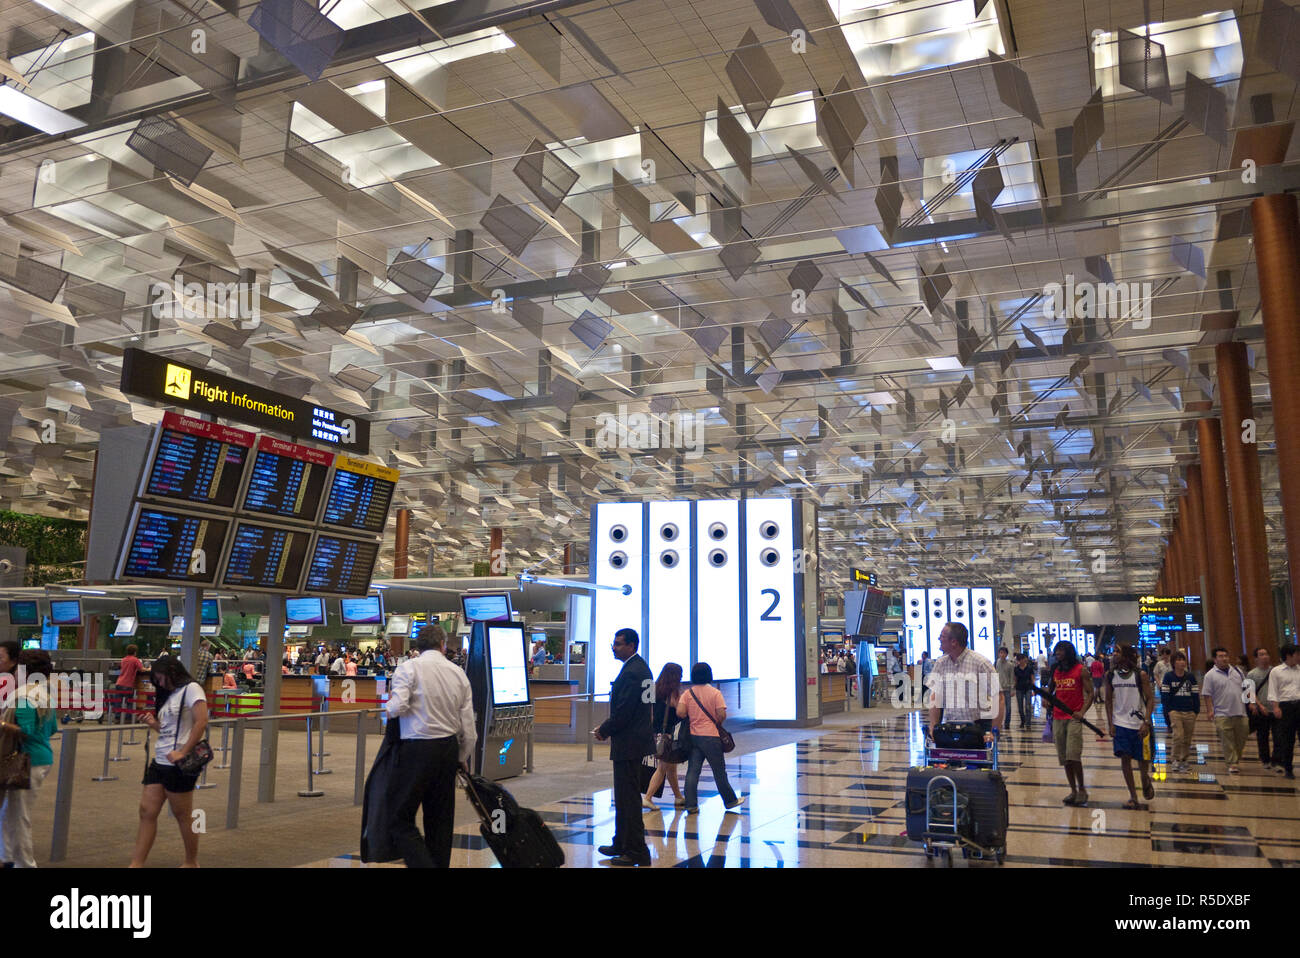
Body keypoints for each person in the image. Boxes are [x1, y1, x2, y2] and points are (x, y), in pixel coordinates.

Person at [383, 624, 475, 867]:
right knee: (440, 820)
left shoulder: (408, 668)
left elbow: (398, 705)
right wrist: (461, 756)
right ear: (443, 645)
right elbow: (469, 729)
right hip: (447, 749)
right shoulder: (458, 674)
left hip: (416, 749)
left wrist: (387, 709)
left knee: (399, 818)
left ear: (418, 646)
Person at [129, 656, 208, 867]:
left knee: (183, 814)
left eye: (161, 678)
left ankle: (191, 861)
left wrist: (183, 751)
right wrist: (154, 723)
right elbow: (168, 729)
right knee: (147, 810)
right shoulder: (169, 695)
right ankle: (136, 863)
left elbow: (202, 721)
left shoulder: (192, 689)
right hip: (160, 759)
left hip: (179, 764)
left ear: (173, 671)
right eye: (157, 680)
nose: (160, 683)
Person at [594, 628, 654, 867]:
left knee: (628, 799)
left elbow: (624, 712)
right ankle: (621, 842)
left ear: (632, 645)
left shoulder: (631, 673)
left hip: (629, 743)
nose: (614, 647)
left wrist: (604, 729)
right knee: (624, 796)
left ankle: (637, 851)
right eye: (614, 643)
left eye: (619, 644)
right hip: (637, 741)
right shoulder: (642, 668)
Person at [0, 649, 58, 867]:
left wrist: (3, 724)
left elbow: (27, 731)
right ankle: (7, 857)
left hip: (24, 761)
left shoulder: (23, 696)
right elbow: (51, 729)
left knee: (19, 816)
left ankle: (24, 863)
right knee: (11, 812)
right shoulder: (45, 694)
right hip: (41, 758)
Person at [677, 661, 743, 816]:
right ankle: (730, 800)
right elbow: (721, 714)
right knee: (719, 771)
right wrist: (715, 721)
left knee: (693, 771)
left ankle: (691, 805)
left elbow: (680, 712)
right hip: (711, 737)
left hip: (693, 736)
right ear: (709, 674)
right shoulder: (715, 693)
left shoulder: (688, 693)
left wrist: (692, 717)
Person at [925, 622, 1002, 741]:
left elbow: (999, 697)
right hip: (951, 726)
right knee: (950, 759)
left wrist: (994, 731)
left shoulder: (980, 663)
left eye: (942, 636)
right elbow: (935, 697)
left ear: (954, 642)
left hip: (979, 726)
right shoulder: (941, 664)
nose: (939, 639)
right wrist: (933, 727)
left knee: (977, 759)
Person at [1105, 644, 1156, 809]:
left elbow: (1150, 699)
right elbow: (1107, 700)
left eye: (1117, 651)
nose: (1114, 654)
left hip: (1139, 724)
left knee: (1143, 760)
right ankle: (1133, 796)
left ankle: (1144, 777)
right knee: (1125, 759)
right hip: (1120, 724)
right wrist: (1111, 723)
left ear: (1126, 655)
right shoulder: (1110, 675)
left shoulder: (1140, 675)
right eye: (1113, 652)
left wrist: (1146, 721)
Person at [1049, 640, 1093, 806]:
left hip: (1073, 718)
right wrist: (1047, 700)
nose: (1058, 653)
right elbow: (1050, 690)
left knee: (1073, 755)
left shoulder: (1080, 670)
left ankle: (1082, 789)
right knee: (1064, 757)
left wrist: (1082, 712)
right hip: (1057, 718)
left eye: (1060, 650)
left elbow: (1090, 693)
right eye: (1057, 651)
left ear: (1068, 652)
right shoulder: (1055, 669)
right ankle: (1073, 790)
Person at [644, 662, 686, 810]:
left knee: (671, 768)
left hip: (656, 733)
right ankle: (648, 797)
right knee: (663, 767)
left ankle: (678, 797)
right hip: (668, 735)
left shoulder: (655, 689)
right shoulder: (674, 694)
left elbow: (650, 713)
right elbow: (681, 712)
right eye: (680, 675)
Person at [1201, 647, 1249, 774]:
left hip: (1240, 711)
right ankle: (1232, 763)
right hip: (1222, 713)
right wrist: (1210, 710)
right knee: (1227, 739)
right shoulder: (1210, 675)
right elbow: (1207, 694)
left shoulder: (1238, 671)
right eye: (1221, 656)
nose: (1224, 658)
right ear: (1215, 659)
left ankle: (1235, 759)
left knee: (1241, 738)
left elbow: (1247, 687)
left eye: (1226, 656)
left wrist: (1252, 703)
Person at [1161, 651, 1200, 772]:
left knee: (1187, 738)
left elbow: (1195, 694)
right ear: (1173, 663)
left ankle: (1184, 759)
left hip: (1189, 711)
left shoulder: (1190, 677)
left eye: (1183, 660)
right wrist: (1168, 710)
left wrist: (1196, 710)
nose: (1182, 662)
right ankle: (1175, 759)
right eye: (1178, 660)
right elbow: (1165, 694)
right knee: (1178, 736)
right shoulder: (1168, 677)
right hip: (1175, 711)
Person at [1267, 643, 1300, 779]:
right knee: (1288, 739)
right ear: (1288, 655)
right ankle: (1288, 768)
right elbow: (1273, 691)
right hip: (1286, 707)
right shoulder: (1276, 671)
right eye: (1297, 654)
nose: (1299, 657)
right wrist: (1275, 707)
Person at [1247, 647, 1275, 769]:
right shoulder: (1252, 674)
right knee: (1262, 735)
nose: (1265, 656)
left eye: (1266, 654)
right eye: (1261, 654)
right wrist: (1257, 705)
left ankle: (1277, 759)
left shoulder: (1275, 671)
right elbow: (1249, 692)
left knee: (1279, 735)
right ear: (1256, 658)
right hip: (1261, 710)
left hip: (1275, 709)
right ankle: (1265, 760)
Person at [112, 643, 145, 723]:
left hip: (119, 683)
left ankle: (117, 718)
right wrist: (149, 668)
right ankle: (128, 718)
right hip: (128, 684)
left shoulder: (123, 659)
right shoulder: (135, 660)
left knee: (118, 701)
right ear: (135, 652)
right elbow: (141, 669)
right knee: (130, 702)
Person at [994, 647, 1014, 734]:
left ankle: (1007, 723)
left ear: (1006, 654)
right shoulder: (996, 663)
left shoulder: (1010, 665)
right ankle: (999, 723)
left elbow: (1012, 677)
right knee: (998, 708)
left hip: (1007, 689)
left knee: (1008, 707)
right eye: (1000, 653)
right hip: (998, 689)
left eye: (1004, 653)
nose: (1002, 654)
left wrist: (1012, 689)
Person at [1013, 653, 1035, 727]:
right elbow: (1015, 680)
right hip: (1019, 689)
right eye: (1019, 660)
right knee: (1020, 707)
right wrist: (1013, 689)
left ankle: (1028, 722)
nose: (1021, 661)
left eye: (1022, 659)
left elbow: (1032, 679)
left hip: (1028, 688)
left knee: (1028, 706)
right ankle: (1023, 720)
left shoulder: (1029, 668)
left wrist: (1033, 689)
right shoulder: (1016, 669)